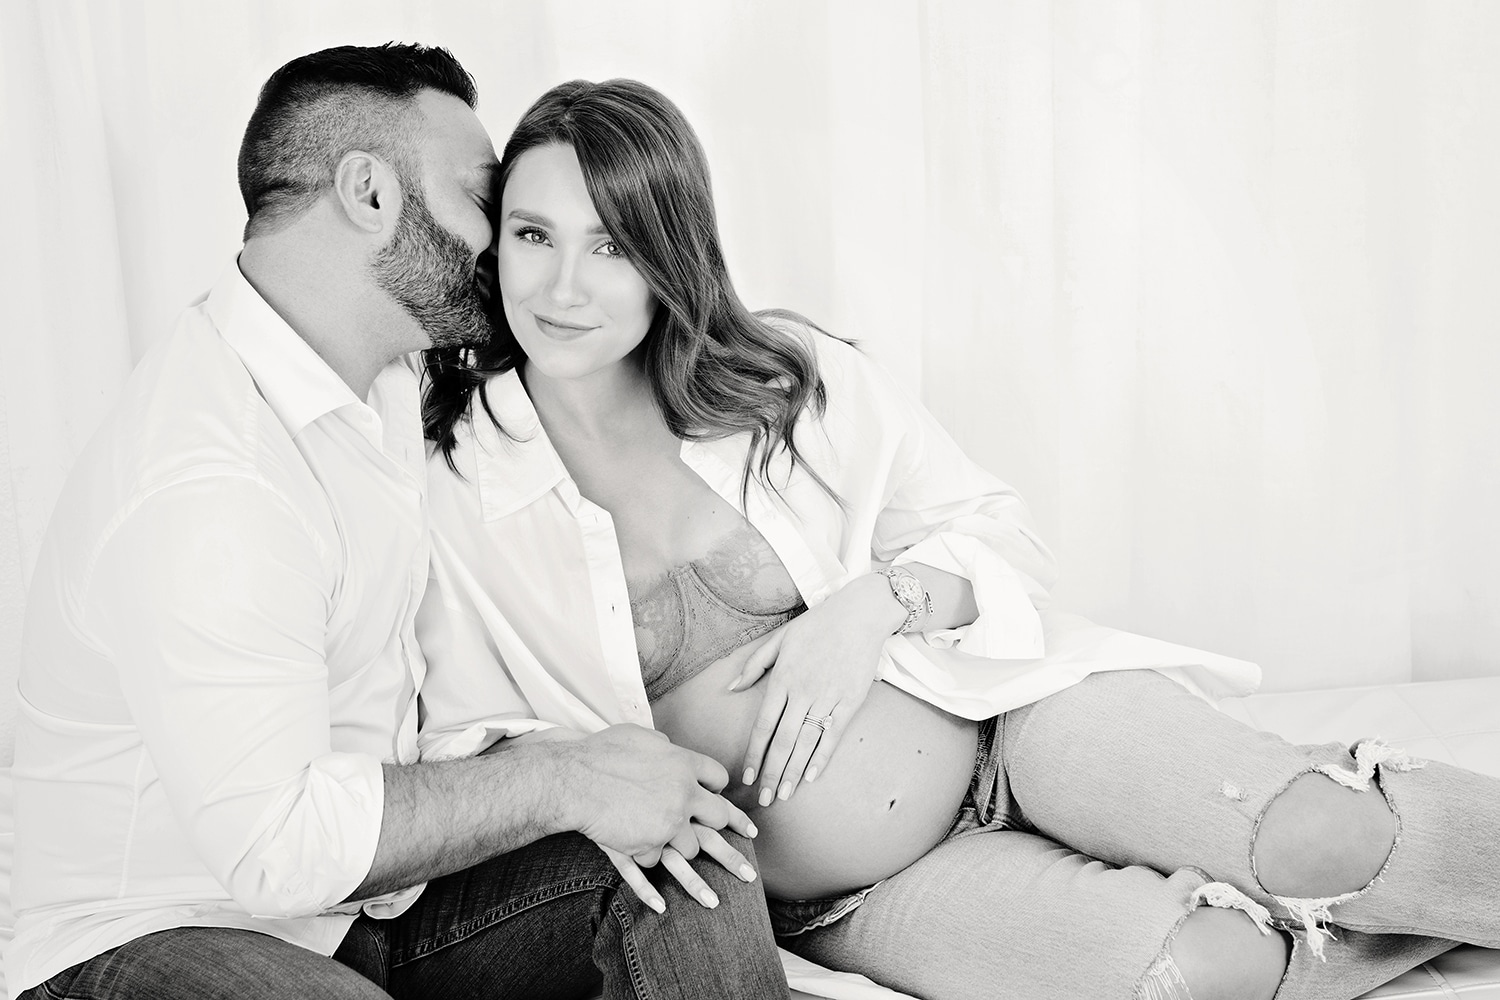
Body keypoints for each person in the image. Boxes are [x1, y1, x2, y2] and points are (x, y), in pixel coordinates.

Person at [417, 76, 1500, 1000]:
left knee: (1318, 838)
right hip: (860, 891)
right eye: (533, 235)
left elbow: (999, 532)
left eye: (611, 244)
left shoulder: (780, 377)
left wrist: (874, 607)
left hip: (1011, 723)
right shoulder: (456, 488)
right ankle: (1402, 916)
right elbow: (463, 744)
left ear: (666, 255)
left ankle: (1393, 865)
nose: (562, 287)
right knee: (1195, 969)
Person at [9, 46, 790, 1000]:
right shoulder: (209, 478)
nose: (501, 247)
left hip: (368, 907)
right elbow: (278, 850)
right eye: (480, 200)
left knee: (686, 874)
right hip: (147, 928)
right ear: (371, 194)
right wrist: (562, 778)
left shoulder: (387, 377)